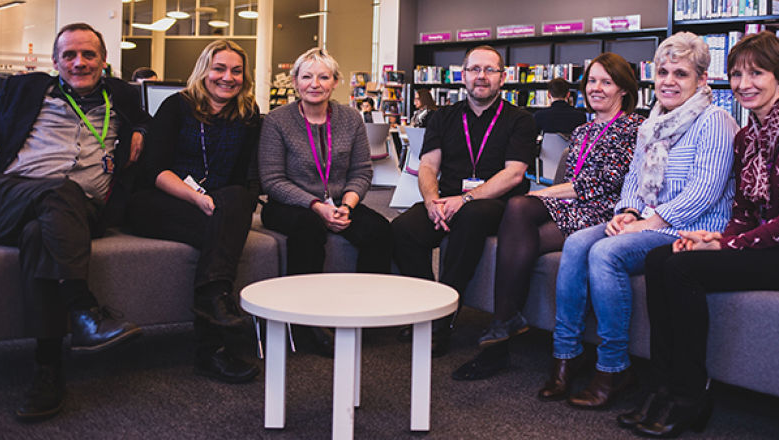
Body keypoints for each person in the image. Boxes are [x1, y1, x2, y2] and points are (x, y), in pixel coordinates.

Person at [621, 31, 779, 438]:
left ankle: (691, 395)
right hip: (772, 246)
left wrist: (727, 245)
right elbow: (745, 213)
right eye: (736, 75)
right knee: (661, 259)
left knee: (683, 271)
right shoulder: (747, 137)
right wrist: (710, 238)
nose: (744, 84)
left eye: (756, 73)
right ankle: (662, 386)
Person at [538, 32, 738, 411]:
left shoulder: (715, 121)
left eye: (680, 73)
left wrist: (646, 224)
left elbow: (704, 192)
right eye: (663, 72)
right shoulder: (652, 122)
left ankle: (614, 367)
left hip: (687, 228)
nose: (668, 81)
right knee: (579, 242)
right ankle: (565, 354)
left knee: (606, 254)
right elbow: (633, 180)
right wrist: (626, 213)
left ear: (702, 80)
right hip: (644, 220)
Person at [0, 23, 149, 421]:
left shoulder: (122, 97)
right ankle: (83, 309)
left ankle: (47, 369)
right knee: (60, 190)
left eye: (88, 54)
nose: (79, 62)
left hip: (78, 212)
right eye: (69, 55)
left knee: (43, 232)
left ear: (104, 61)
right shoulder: (26, 89)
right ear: (55, 62)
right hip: (9, 196)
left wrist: (139, 130)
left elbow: (149, 120)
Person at [452, 52, 643, 381]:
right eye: (592, 81)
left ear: (623, 90)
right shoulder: (582, 131)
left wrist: (540, 193)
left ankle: (500, 334)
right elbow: (571, 182)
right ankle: (504, 323)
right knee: (518, 211)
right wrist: (539, 195)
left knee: (520, 213)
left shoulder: (634, 127)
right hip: (574, 206)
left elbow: (605, 183)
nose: (596, 88)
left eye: (606, 82)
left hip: (606, 210)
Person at [123, 40, 263, 384]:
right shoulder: (177, 106)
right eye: (219, 68)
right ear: (204, 70)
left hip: (216, 203)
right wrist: (195, 197)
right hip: (161, 200)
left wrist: (216, 202)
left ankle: (211, 338)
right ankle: (214, 328)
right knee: (222, 232)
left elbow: (246, 178)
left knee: (237, 201)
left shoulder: (248, 114)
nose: (227, 77)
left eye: (236, 70)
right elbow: (154, 170)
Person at [390, 45, 538, 356]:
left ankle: (443, 318)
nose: (481, 77)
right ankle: (425, 305)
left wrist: (465, 198)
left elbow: (513, 175)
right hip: (446, 200)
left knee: (471, 217)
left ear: (503, 77)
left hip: (496, 205)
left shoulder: (520, 120)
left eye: (489, 70)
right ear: (463, 75)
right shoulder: (442, 117)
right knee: (403, 229)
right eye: (474, 70)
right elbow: (428, 166)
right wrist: (432, 202)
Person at [258, 47, 394, 355]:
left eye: (324, 77)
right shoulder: (277, 121)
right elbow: (273, 180)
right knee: (309, 229)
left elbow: (361, 171)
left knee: (379, 231)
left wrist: (347, 205)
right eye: (307, 77)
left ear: (335, 82)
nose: (315, 84)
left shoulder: (350, 119)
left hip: (339, 200)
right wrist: (317, 206)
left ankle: (365, 312)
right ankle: (307, 322)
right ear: (295, 82)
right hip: (290, 204)